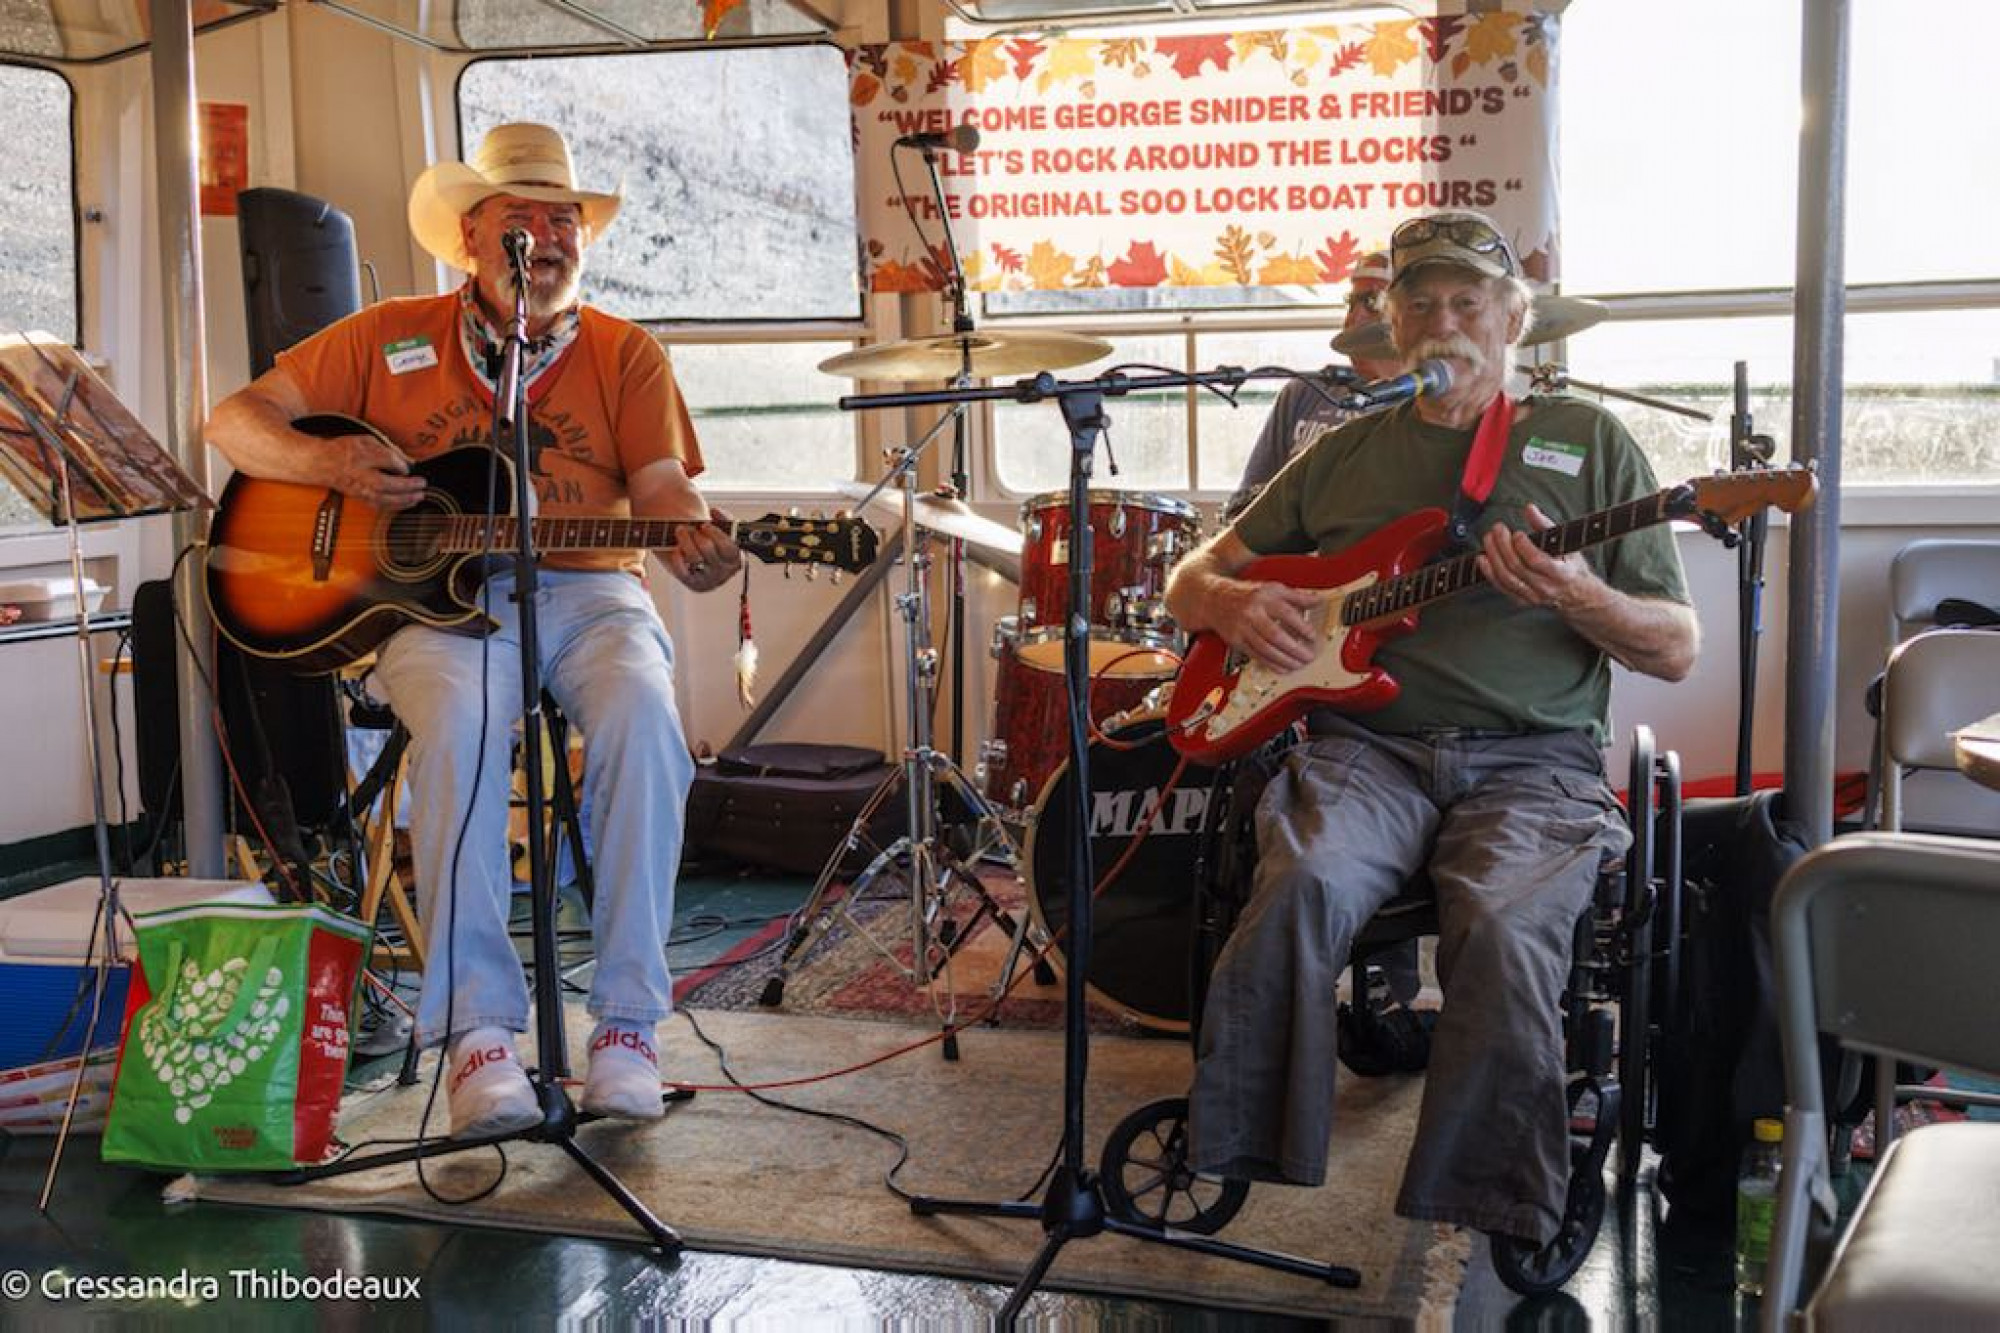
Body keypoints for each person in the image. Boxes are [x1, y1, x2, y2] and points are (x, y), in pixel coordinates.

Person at [1166, 210, 1697, 1247]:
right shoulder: (1341, 453)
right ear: (1391, 324)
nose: (1442, 320)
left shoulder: (1589, 442)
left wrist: (1577, 596)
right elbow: (1195, 572)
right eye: (1420, 302)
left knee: (1500, 926)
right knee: (1301, 885)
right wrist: (1226, 608)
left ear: (1510, 321)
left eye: (1466, 302)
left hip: (1532, 762)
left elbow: (1673, 646)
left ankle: (1492, 1194)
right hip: (1369, 752)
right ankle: (1241, 1143)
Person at [206, 122, 742, 1137]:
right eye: (521, 217)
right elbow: (231, 421)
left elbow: (663, 483)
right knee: (454, 728)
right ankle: (478, 1037)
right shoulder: (382, 334)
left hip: (590, 589)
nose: (545, 235)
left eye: (563, 218)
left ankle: (626, 1025)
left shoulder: (628, 354)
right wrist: (331, 469)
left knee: (643, 720)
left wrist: (691, 539)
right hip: (434, 606)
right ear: (468, 235)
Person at [1222, 250, 1402, 521]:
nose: (1354, 317)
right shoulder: (1305, 391)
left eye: (1373, 302)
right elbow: (1245, 503)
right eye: (1351, 302)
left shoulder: (1425, 403)